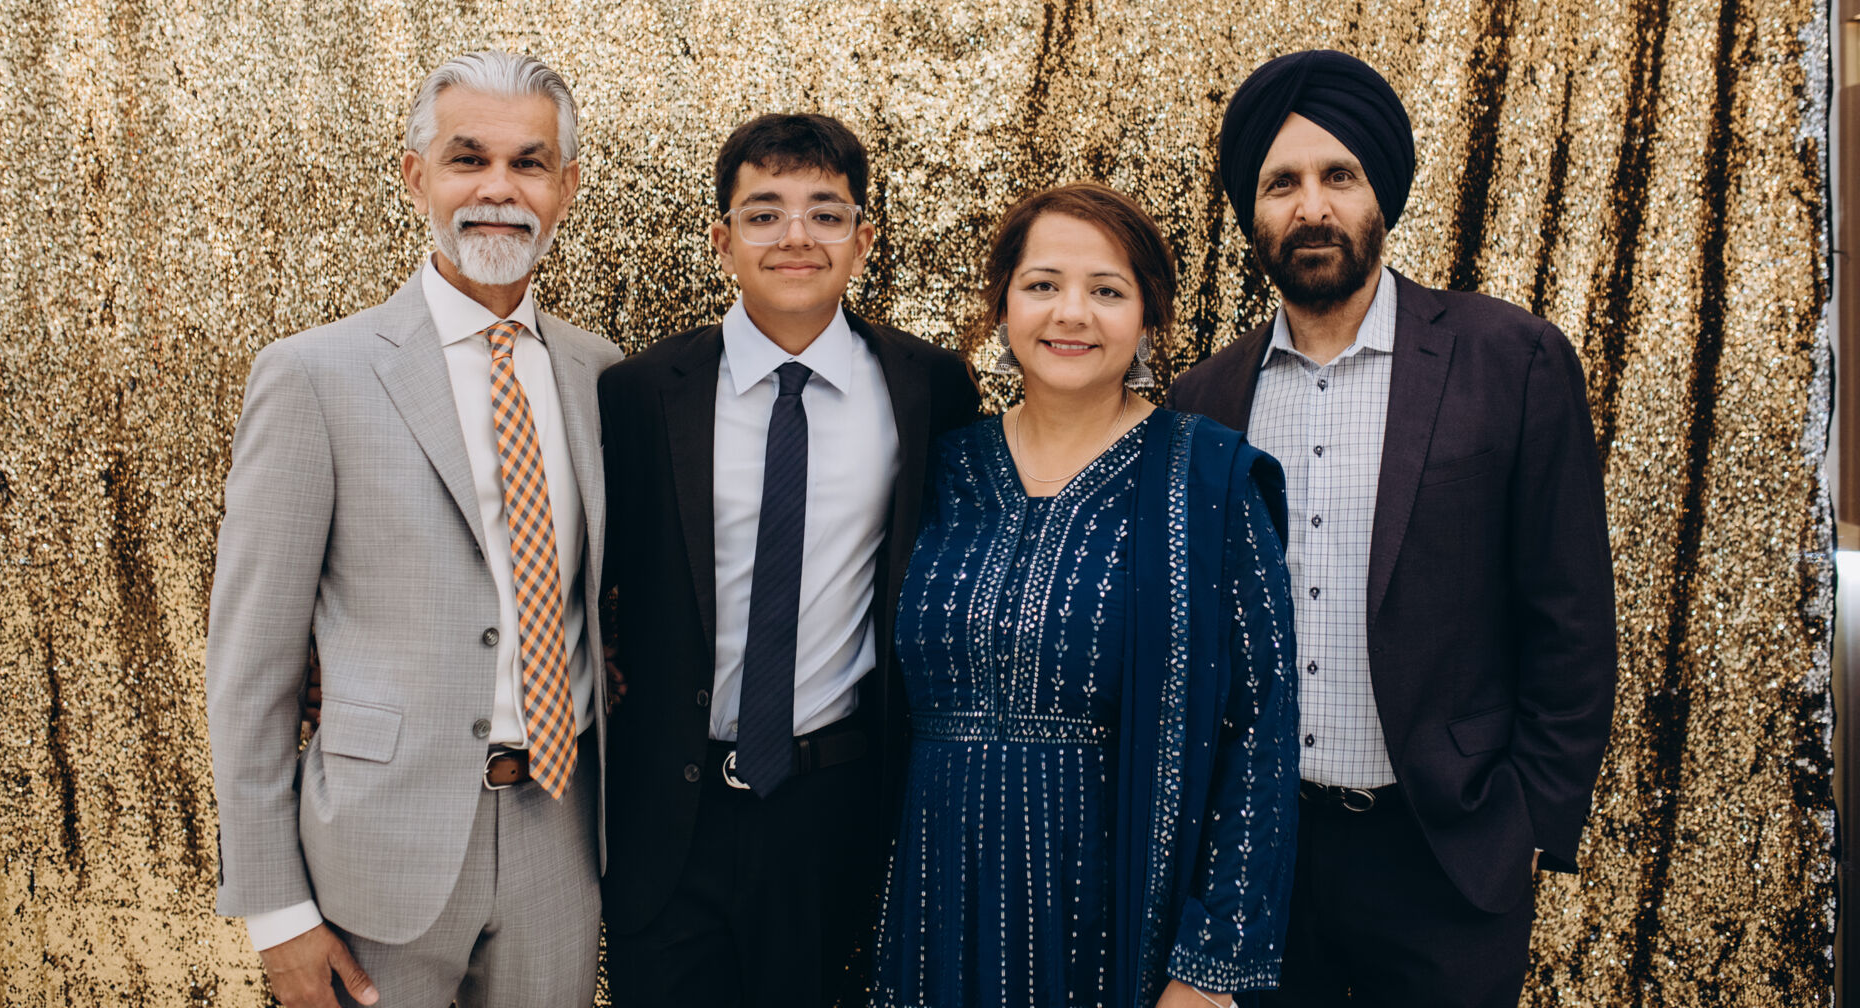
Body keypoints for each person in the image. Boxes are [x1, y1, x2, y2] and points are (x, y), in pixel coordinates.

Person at [1167, 49, 1618, 1007]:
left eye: (1340, 175)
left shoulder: (1511, 360)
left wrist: (1528, 823)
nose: (1312, 207)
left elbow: (1572, 617)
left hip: (1446, 857)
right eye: (1281, 183)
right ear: (1252, 209)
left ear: (1382, 194)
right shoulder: (1204, 399)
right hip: (1262, 859)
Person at [207, 51, 618, 1008]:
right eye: (468, 158)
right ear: (415, 176)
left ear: (564, 188)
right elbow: (252, 662)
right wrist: (275, 909)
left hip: (563, 840)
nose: (498, 188)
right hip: (374, 855)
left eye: (528, 163)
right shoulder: (315, 376)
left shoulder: (602, 376)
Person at [870, 182, 1299, 1008]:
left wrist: (1210, 969)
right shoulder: (939, 469)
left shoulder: (1209, 481)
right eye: (1043, 285)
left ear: (1148, 317)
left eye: (1107, 290)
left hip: (1112, 913)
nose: (1071, 313)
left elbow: (1261, 731)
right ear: (1004, 305)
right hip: (935, 899)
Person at [596, 113, 981, 1008]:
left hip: (835, 807)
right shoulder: (641, 392)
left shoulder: (928, 388)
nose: (796, 235)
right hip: (671, 811)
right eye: (764, 213)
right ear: (722, 240)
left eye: (826, 213)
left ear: (863, 240)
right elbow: (590, 560)